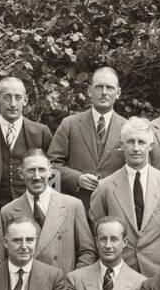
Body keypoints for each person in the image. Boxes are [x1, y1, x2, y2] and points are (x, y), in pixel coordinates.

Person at [88, 118, 160, 276]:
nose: (136, 148)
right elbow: (97, 230)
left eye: (141, 142)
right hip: (119, 271)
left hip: (159, 271)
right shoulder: (105, 187)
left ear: (151, 146)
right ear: (121, 145)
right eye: (130, 142)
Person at [1, 150, 97, 273]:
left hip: (64, 286)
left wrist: (72, 282)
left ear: (50, 171)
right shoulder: (8, 211)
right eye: (31, 170)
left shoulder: (72, 205)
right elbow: (5, 257)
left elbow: (88, 252)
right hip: (29, 287)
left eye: (41, 170)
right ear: (20, 173)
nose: (36, 177)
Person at [0, 76, 52, 206]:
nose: (13, 104)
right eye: (7, 97)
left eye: (18, 98)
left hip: (32, 207)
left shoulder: (41, 132)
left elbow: (53, 174)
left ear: (25, 100)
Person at [46, 66, 128, 199]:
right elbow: (50, 167)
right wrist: (77, 179)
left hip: (114, 208)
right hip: (75, 207)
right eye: (99, 87)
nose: (104, 92)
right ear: (90, 91)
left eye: (110, 88)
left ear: (118, 93)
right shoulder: (70, 124)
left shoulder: (128, 128)